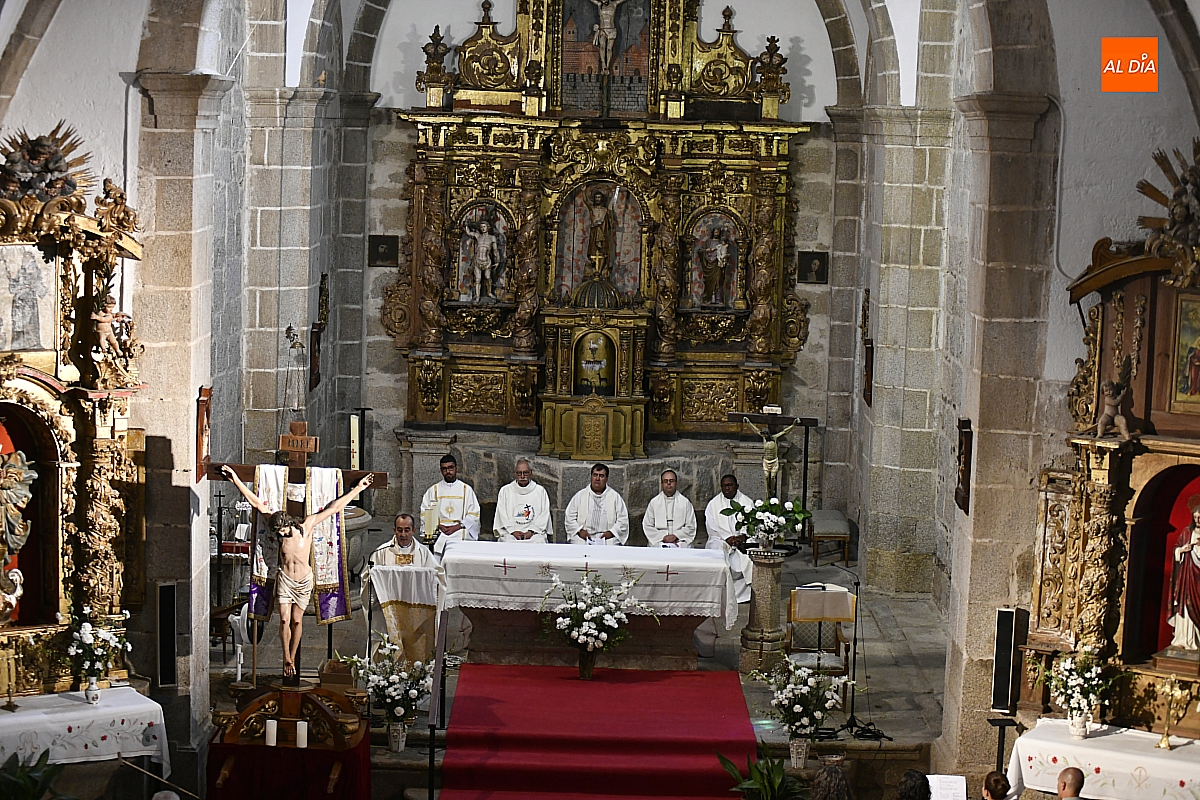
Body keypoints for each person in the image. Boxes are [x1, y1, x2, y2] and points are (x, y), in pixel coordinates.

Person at [222, 464, 373, 677]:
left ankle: (292, 656)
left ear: (288, 523)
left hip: (303, 581)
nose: (281, 535)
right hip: (285, 580)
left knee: (297, 620)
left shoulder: (307, 526)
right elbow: (256, 502)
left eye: (283, 531)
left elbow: (333, 508)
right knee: (284, 620)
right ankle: (286, 657)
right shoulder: (277, 525)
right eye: (278, 533)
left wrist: (359, 488)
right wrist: (235, 480)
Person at [362, 513, 442, 660]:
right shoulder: (382, 552)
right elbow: (367, 576)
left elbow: (438, 577)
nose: (403, 534)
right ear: (394, 530)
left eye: (407, 530)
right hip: (389, 613)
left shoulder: (424, 553)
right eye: (399, 530)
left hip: (415, 613)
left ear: (414, 530)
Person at [705, 474, 755, 603]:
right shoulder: (713, 504)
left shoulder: (747, 502)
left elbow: (753, 524)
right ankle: (718, 594)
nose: (727, 488)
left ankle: (745, 595)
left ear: (737, 486)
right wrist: (727, 538)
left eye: (730, 485)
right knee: (715, 551)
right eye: (724, 486)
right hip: (721, 539)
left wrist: (743, 536)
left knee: (751, 553)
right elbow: (711, 527)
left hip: (742, 540)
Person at [420, 454, 481, 556]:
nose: (448, 471)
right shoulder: (433, 490)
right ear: (441, 470)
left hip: (460, 531)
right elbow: (425, 514)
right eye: (444, 469)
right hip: (439, 533)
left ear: (456, 468)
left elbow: (474, 514)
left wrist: (457, 526)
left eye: (450, 468)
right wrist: (438, 526)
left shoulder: (466, 490)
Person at [565, 463, 628, 546]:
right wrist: (579, 531)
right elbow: (569, 517)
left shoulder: (615, 497)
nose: (597, 479)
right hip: (584, 537)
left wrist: (611, 532)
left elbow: (623, 520)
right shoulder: (580, 496)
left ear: (606, 479)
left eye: (601, 476)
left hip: (607, 538)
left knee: (613, 544)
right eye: (595, 475)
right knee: (577, 543)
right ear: (591, 477)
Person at [494, 459, 553, 543]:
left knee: (539, 541)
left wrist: (531, 531)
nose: (522, 476)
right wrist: (512, 531)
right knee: (507, 541)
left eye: (525, 473)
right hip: (511, 534)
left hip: (534, 535)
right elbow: (502, 513)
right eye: (519, 473)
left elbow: (544, 513)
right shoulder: (505, 491)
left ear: (531, 473)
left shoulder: (540, 491)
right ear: (515, 473)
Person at [1170, 495, 1200, 649]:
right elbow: (1176, 549)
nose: (1198, 520)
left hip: (1199, 580)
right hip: (1187, 576)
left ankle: (1196, 640)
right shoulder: (1187, 532)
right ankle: (1183, 639)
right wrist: (1183, 549)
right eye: (1196, 517)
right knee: (1186, 605)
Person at [643, 469, 696, 548]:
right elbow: (648, 525)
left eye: (671, 481)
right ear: (661, 484)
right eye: (665, 481)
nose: (668, 483)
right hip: (659, 540)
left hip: (680, 540)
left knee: (685, 547)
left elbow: (691, 526)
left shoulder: (685, 502)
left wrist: (676, 536)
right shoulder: (654, 502)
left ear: (676, 483)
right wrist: (663, 537)